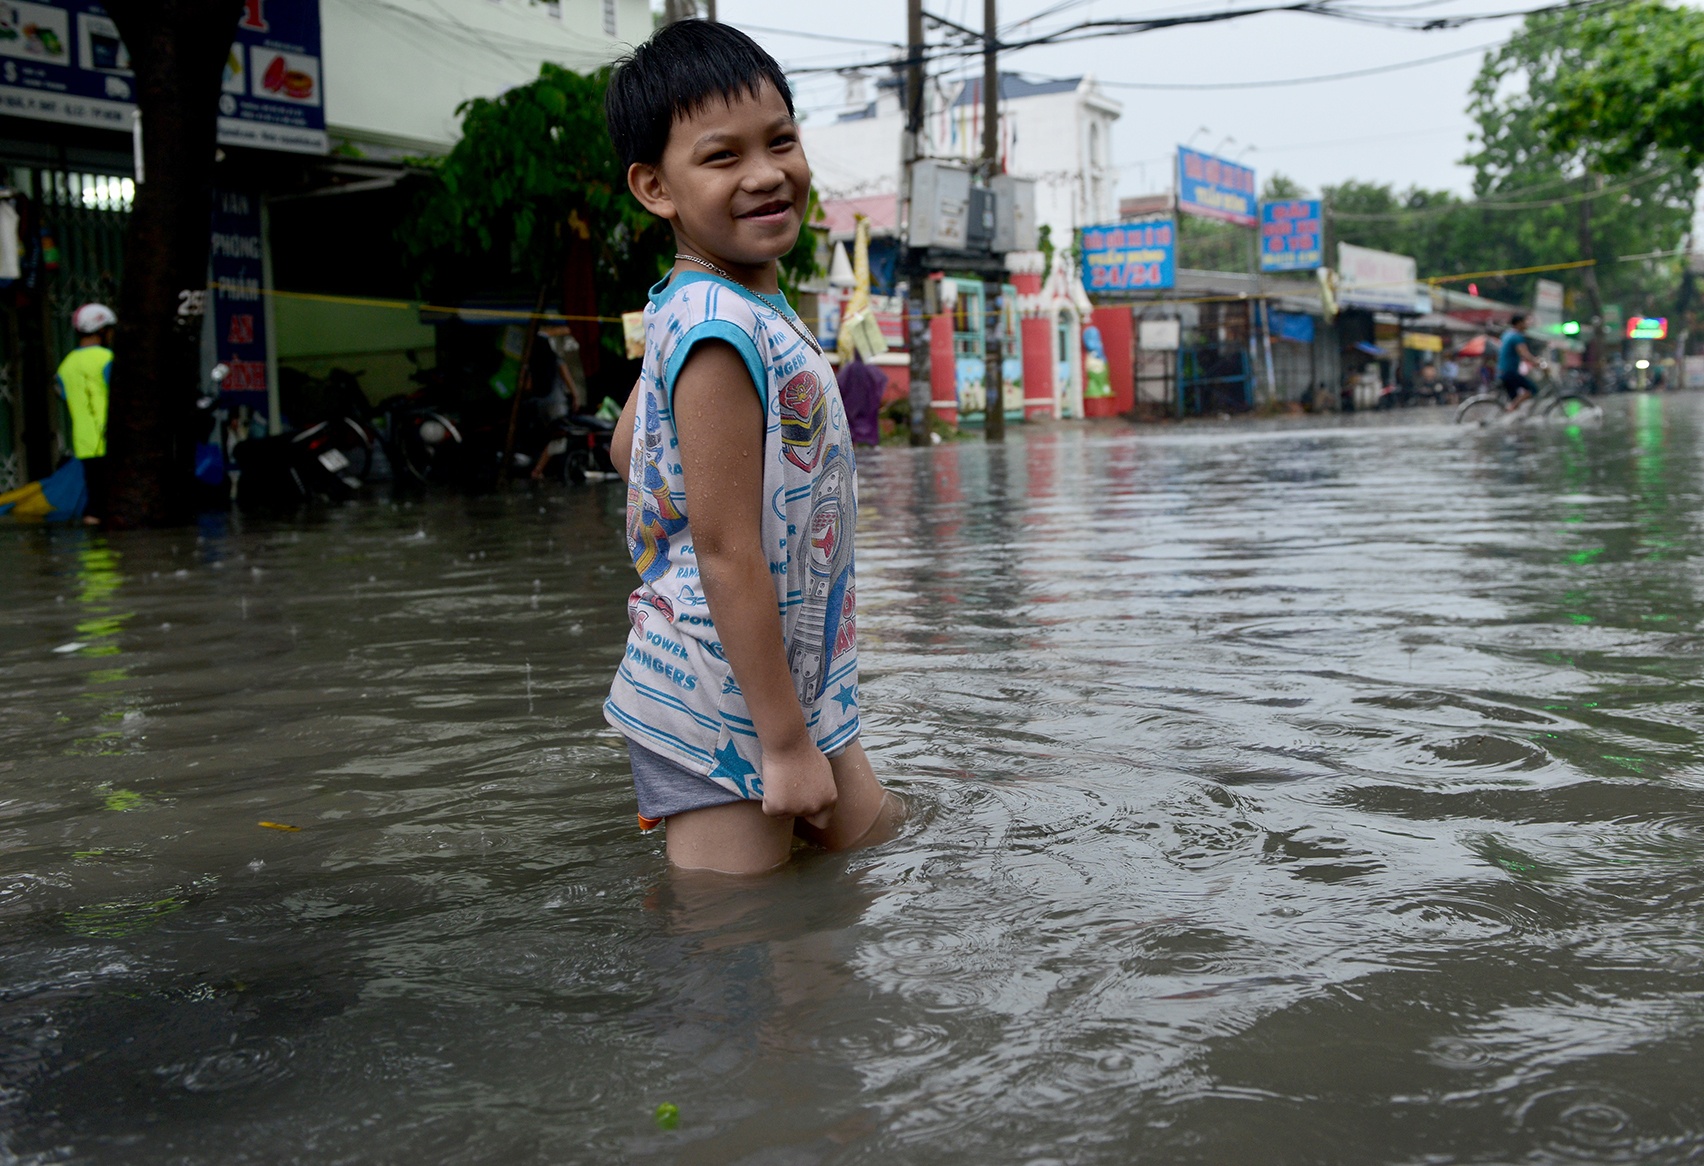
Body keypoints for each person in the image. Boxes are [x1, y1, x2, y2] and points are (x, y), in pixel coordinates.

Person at [601, 21, 898, 875]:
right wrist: (785, 744)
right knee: (737, 947)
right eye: (723, 157)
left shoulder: (707, 306)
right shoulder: (721, 327)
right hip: (718, 701)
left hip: (783, 672)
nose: (767, 174)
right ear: (656, 187)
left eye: (782, 141)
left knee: (876, 848)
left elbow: (633, 450)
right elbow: (728, 553)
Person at [56, 303, 115, 524]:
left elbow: (63, 395)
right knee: (108, 499)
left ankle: (93, 548)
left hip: (84, 441)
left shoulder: (66, 366)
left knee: (95, 497)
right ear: (101, 330)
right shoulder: (107, 359)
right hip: (109, 437)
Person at [1498, 313, 1546, 411]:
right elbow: (1524, 354)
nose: (1527, 324)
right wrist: (1538, 363)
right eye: (1525, 322)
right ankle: (1510, 408)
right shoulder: (1517, 337)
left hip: (1503, 371)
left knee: (1515, 400)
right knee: (1532, 390)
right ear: (1519, 323)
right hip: (1510, 372)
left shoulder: (1507, 334)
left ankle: (1510, 412)